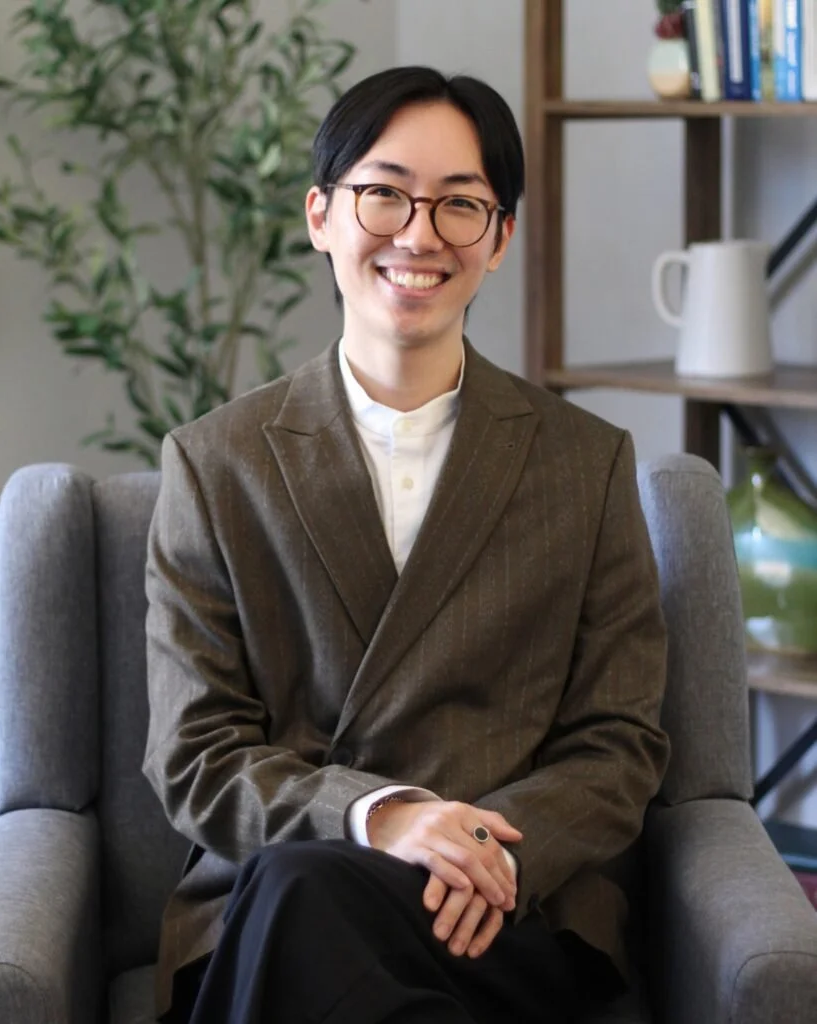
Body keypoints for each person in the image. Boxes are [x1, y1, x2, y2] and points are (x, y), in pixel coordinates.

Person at [143, 65, 670, 1024]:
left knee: (301, 900)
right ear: (320, 216)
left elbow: (618, 743)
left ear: (500, 238)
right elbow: (195, 755)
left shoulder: (584, 464)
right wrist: (381, 817)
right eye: (383, 194)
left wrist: (488, 851)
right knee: (302, 887)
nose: (419, 235)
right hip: (272, 890)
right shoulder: (215, 464)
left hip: (503, 908)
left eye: (460, 205)